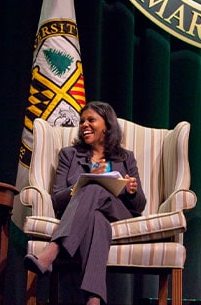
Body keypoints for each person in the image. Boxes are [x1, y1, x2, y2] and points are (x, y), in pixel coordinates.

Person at [24, 101, 146, 305]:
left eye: (91, 120)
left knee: (94, 188)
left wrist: (131, 191)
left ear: (106, 125)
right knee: (97, 219)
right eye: (82, 121)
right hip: (88, 216)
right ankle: (94, 298)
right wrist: (83, 181)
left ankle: (52, 250)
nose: (84, 125)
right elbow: (56, 199)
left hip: (118, 212)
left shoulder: (126, 157)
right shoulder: (69, 155)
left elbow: (140, 205)